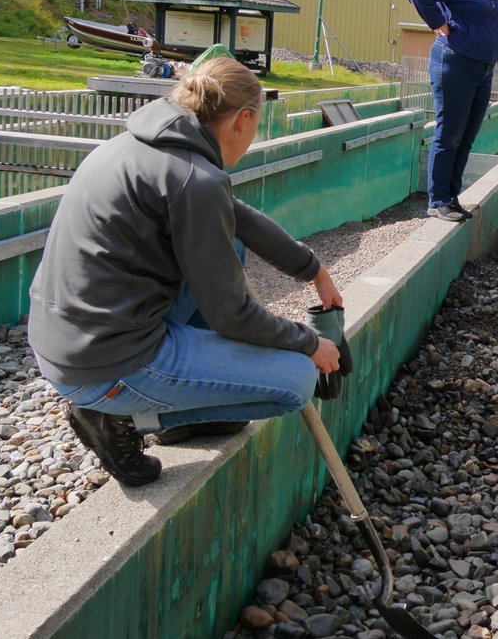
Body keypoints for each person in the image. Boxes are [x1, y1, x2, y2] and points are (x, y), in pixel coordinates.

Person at [28, 58, 344, 487]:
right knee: (296, 381)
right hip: (105, 365)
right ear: (243, 120)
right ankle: (123, 417)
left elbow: (237, 218)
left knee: (228, 241)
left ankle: (177, 411)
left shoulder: (145, 143)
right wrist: (310, 344)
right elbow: (232, 315)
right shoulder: (194, 179)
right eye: (256, 128)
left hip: (67, 337)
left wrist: (313, 269)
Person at [407, 0, 498, 222]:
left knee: (466, 137)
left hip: (482, 68)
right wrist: (439, 22)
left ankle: (451, 197)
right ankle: (438, 200)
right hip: (454, 63)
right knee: (449, 133)